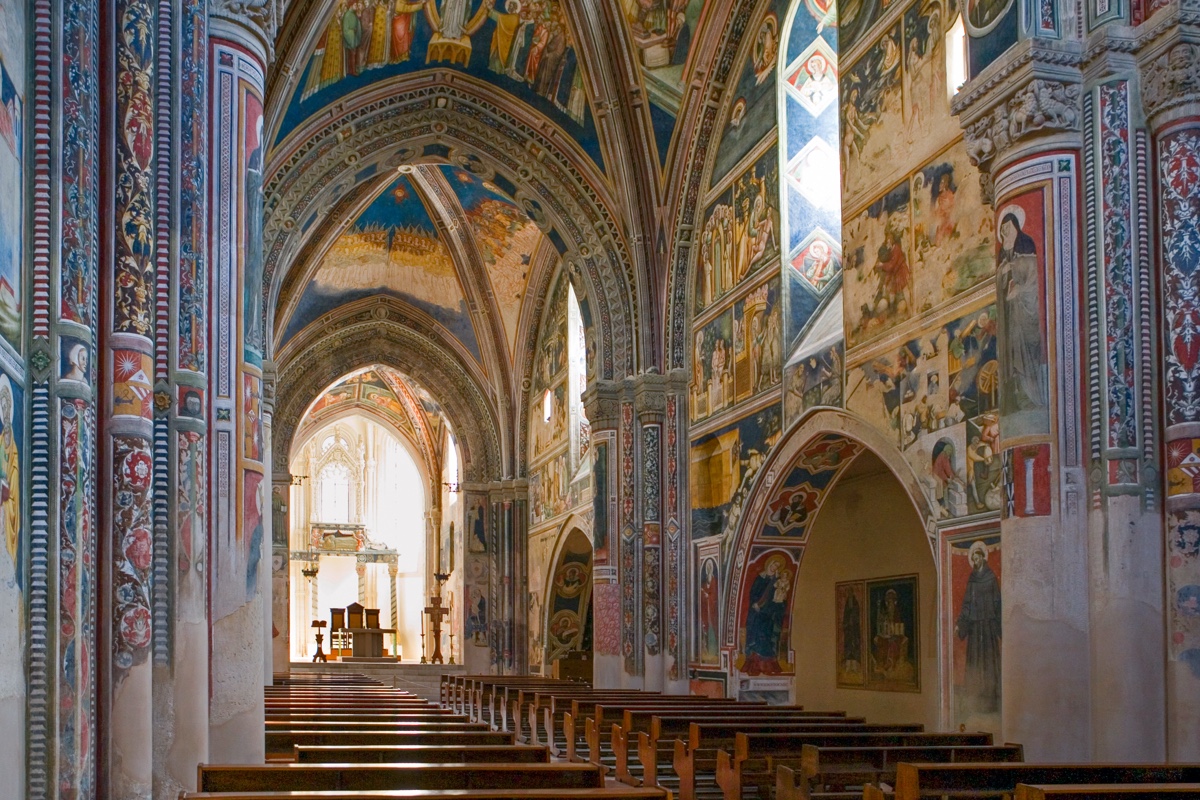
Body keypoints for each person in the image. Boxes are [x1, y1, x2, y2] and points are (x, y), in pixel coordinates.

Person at [997, 210, 1048, 416]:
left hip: (1025, 308)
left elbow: (1033, 276)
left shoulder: (1026, 243)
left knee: (1026, 350)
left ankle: (1032, 395)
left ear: (1016, 226)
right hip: (1009, 313)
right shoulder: (1003, 251)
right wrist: (1003, 272)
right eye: (1002, 229)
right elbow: (1000, 283)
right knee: (1011, 353)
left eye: (1007, 227)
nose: (1004, 231)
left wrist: (1014, 271)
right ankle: (1017, 395)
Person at [956, 540, 1001, 713]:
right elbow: (967, 603)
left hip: (988, 625)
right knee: (975, 660)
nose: (975, 561)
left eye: (978, 557)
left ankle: (991, 700)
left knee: (989, 660)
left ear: (983, 557)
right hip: (975, 627)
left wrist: (999, 622)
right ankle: (974, 699)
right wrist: (960, 624)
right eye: (973, 558)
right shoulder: (972, 580)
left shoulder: (990, 578)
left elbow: (997, 601)